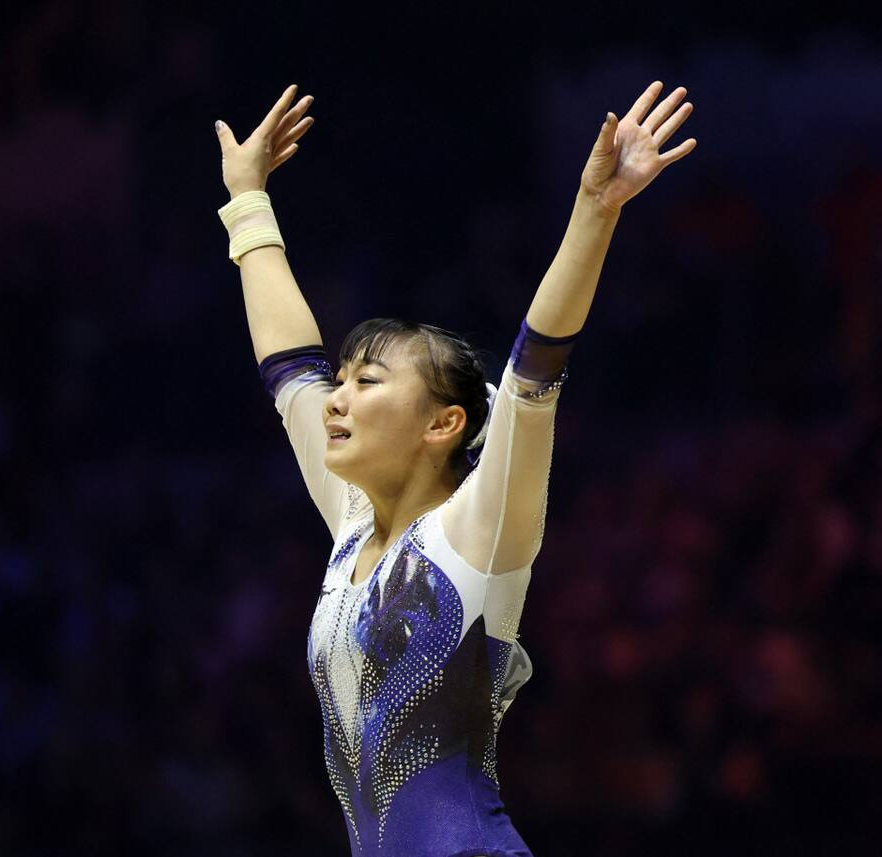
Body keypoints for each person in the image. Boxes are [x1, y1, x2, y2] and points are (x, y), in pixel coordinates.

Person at [214, 81, 696, 857]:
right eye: (341, 381)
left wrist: (594, 212)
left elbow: (534, 371)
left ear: (444, 424)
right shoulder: (350, 523)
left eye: (366, 382)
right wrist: (247, 203)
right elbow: (287, 367)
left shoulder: (481, 529)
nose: (334, 398)